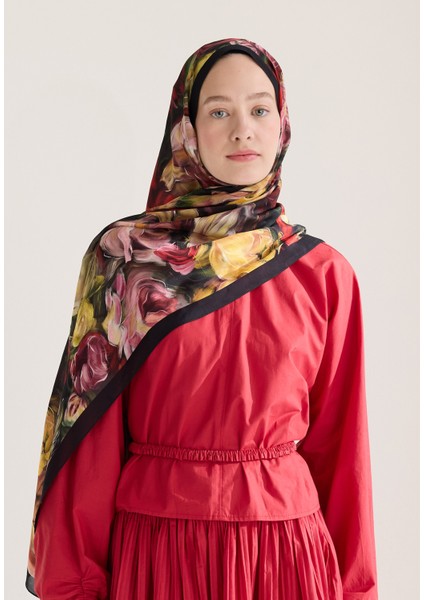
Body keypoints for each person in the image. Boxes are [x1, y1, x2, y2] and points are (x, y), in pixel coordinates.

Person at [25, 38, 378, 599]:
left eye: (260, 109)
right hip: (160, 553)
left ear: (283, 124)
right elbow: (86, 449)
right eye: (219, 112)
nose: (243, 130)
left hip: (286, 557)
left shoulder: (325, 274)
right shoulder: (126, 263)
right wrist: (74, 587)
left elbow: (342, 454)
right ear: (185, 130)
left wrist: (358, 591)